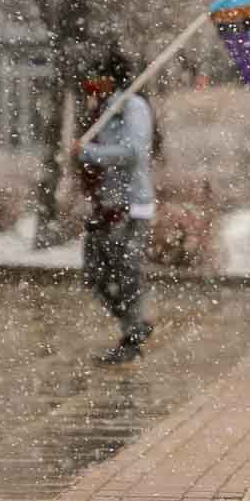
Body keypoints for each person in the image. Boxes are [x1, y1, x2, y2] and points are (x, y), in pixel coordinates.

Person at [76, 48, 157, 365]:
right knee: (95, 275)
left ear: (110, 79)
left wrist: (89, 154)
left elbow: (133, 153)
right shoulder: (103, 109)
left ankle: (132, 336)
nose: (89, 84)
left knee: (125, 273)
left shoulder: (132, 107)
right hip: (105, 204)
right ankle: (136, 324)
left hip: (131, 206)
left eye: (96, 77)